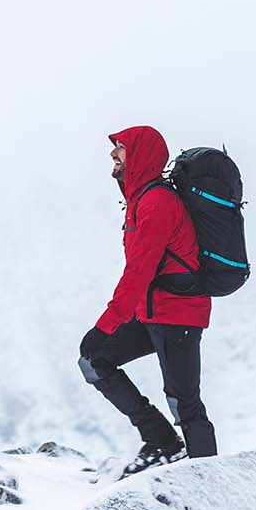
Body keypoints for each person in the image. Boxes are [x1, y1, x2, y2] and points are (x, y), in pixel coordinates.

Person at [78, 125, 218, 476]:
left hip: (179, 315)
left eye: (120, 149)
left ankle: (210, 480)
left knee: (183, 402)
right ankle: (161, 441)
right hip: (153, 312)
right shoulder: (141, 200)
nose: (113, 155)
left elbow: (139, 272)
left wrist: (105, 325)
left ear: (139, 155)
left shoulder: (156, 202)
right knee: (95, 360)